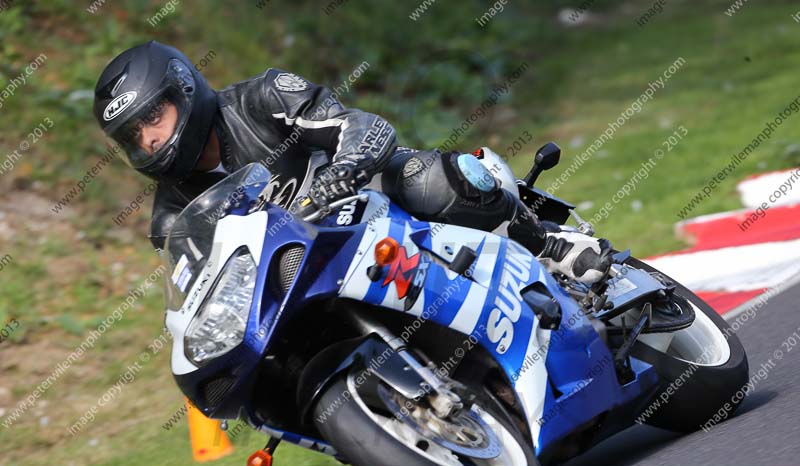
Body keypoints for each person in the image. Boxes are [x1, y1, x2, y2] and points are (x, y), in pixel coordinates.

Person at [93, 41, 612, 283]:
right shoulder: (170, 219)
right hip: (308, 273)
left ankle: (549, 244)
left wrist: (344, 169)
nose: (151, 139)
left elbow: (365, 126)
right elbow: (207, 289)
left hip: (370, 208)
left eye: (153, 117)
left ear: (183, 90)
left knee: (426, 178)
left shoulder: (263, 97)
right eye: (134, 136)